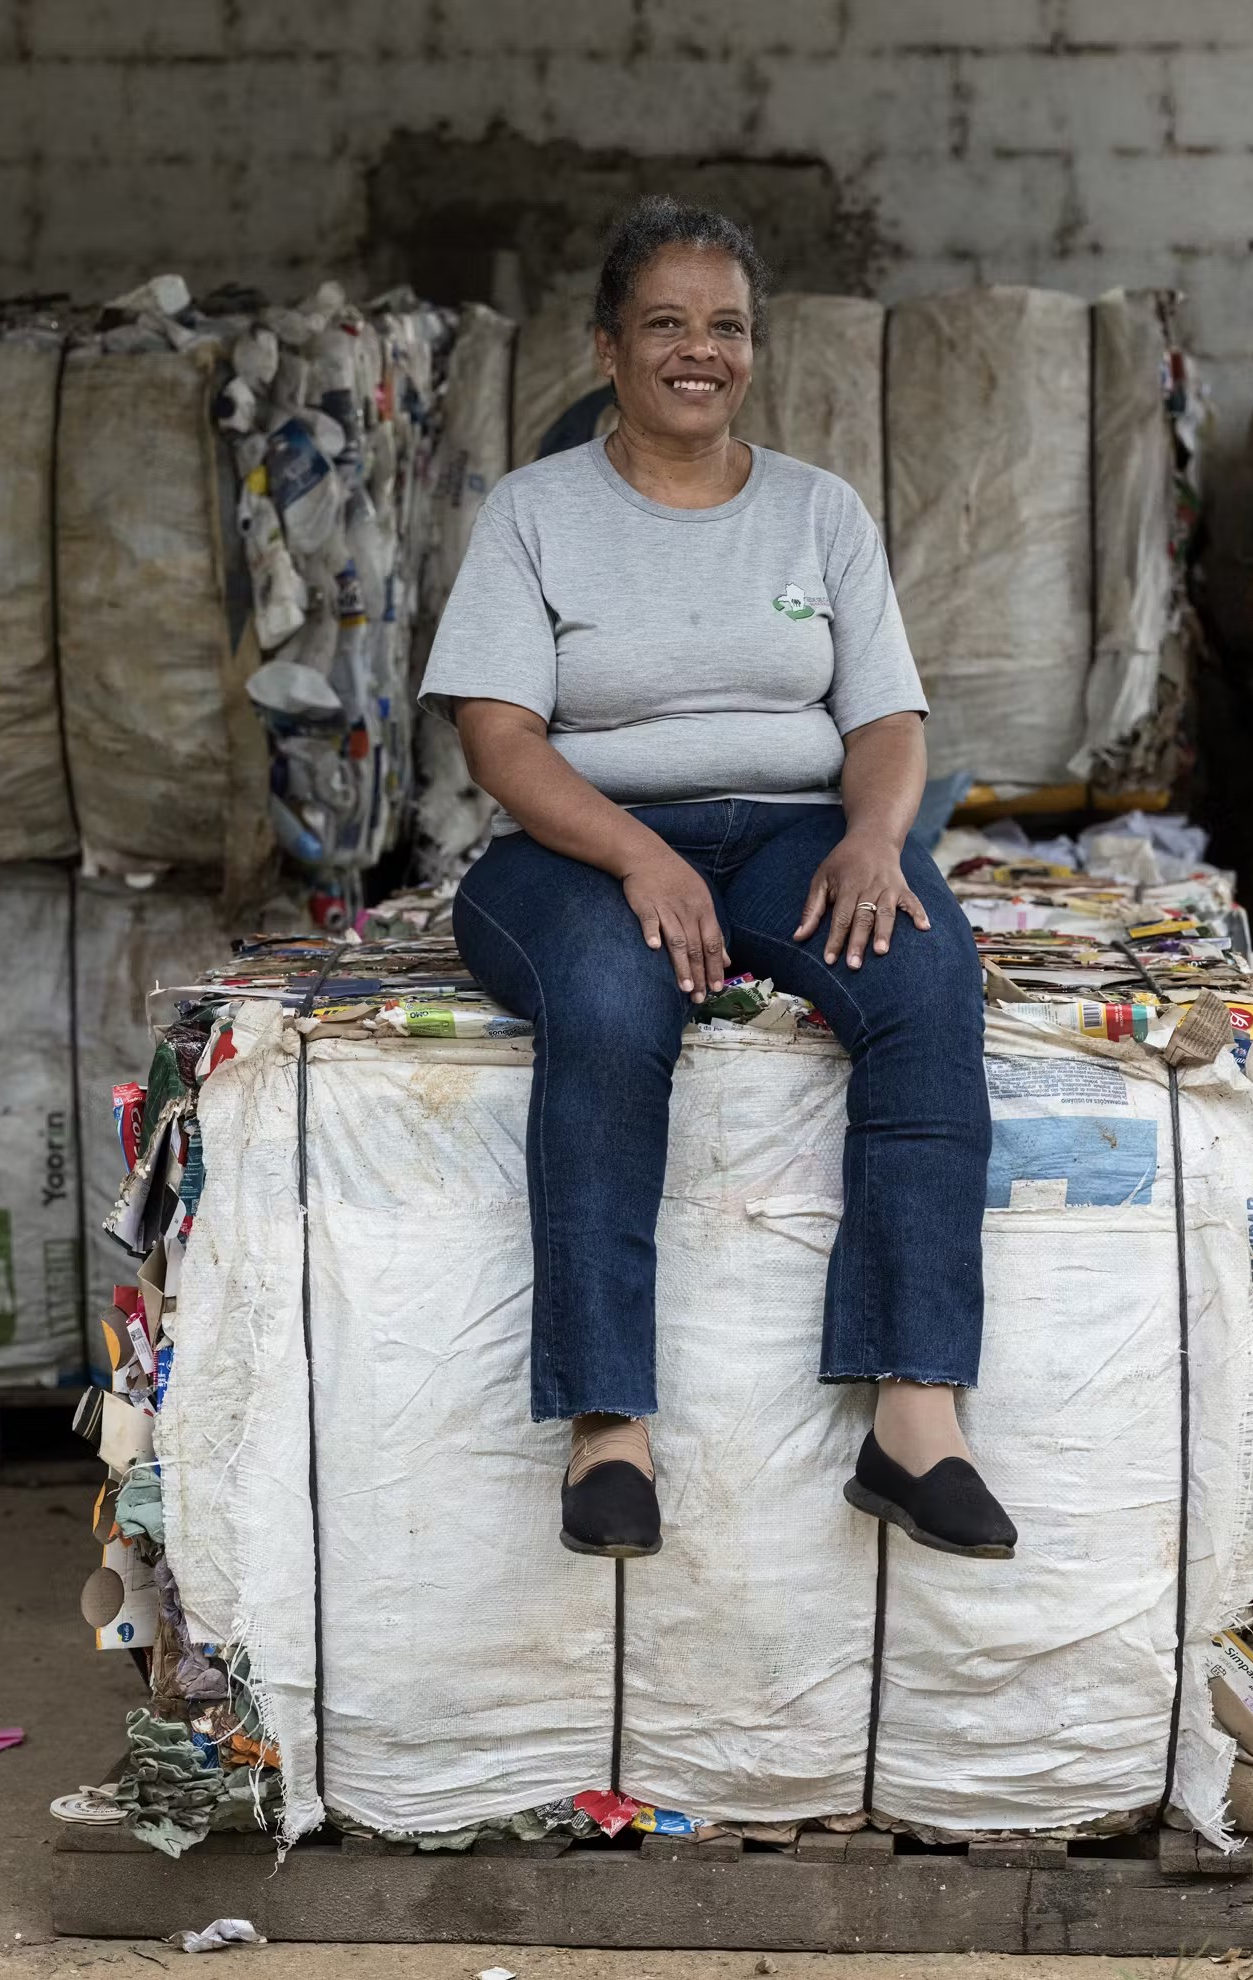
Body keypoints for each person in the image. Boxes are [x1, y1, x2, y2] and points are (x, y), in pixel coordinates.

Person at [419, 195, 1015, 1564]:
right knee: (612, 997)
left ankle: (915, 1417)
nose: (701, 350)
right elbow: (498, 734)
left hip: (795, 833)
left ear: (755, 348)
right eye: (667, 324)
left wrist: (875, 840)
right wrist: (637, 856)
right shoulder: (537, 511)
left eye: (727, 326)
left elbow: (883, 723)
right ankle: (607, 1428)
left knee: (923, 970)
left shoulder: (818, 510)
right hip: (579, 841)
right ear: (607, 347)